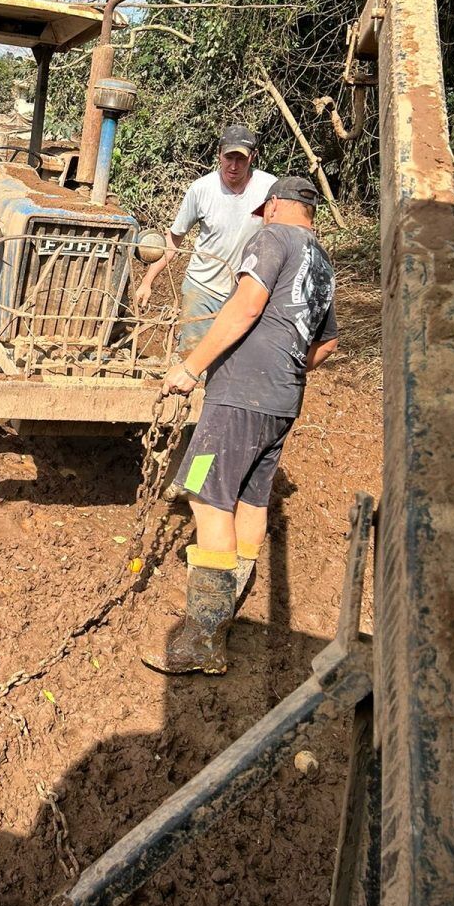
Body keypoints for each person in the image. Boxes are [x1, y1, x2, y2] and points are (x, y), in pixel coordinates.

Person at [141, 176, 339, 676]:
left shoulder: (271, 238)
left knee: (206, 496)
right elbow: (327, 344)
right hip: (281, 399)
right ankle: (230, 599)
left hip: (238, 398)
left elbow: (246, 305)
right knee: (251, 497)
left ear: (273, 206)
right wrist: (284, 363)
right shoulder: (322, 262)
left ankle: (203, 637)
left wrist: (190, 368)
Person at [135, 125, 275, 352]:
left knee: (238, 359)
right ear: (219, 154)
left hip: (246, 291)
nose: (233, 166)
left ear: (253, 157)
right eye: (228, 157)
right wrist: (147, 281)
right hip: (202, 289)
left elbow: (281, 234)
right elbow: (174, 239)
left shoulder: (268, 188)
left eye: (241, 159)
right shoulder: (201, 190)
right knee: (192, 356)